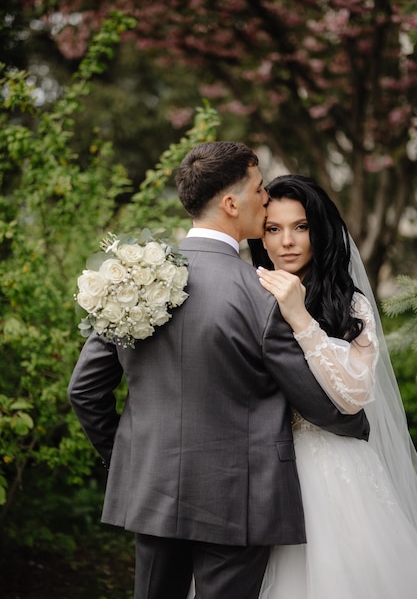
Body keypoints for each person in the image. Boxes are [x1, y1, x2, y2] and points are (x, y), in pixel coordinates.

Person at [67, 142, 369, 599]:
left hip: (152, 487)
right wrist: (356, 423)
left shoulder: (127, 279)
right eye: (258, 189)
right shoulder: (264, 296)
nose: (265, 197)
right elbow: (310, 397)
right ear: (232, 204)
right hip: (239, 502)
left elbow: (85, 392)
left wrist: (130, 457)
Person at [248, 174, 417, 599]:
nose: (287, 241)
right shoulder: (246, 293)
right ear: (260, 235)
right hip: (262, 467)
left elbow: (353, 395)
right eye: (273, 228)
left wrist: (299, 316)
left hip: (336, 469)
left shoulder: (350, 302)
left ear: (319, 232)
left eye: (300, 227)